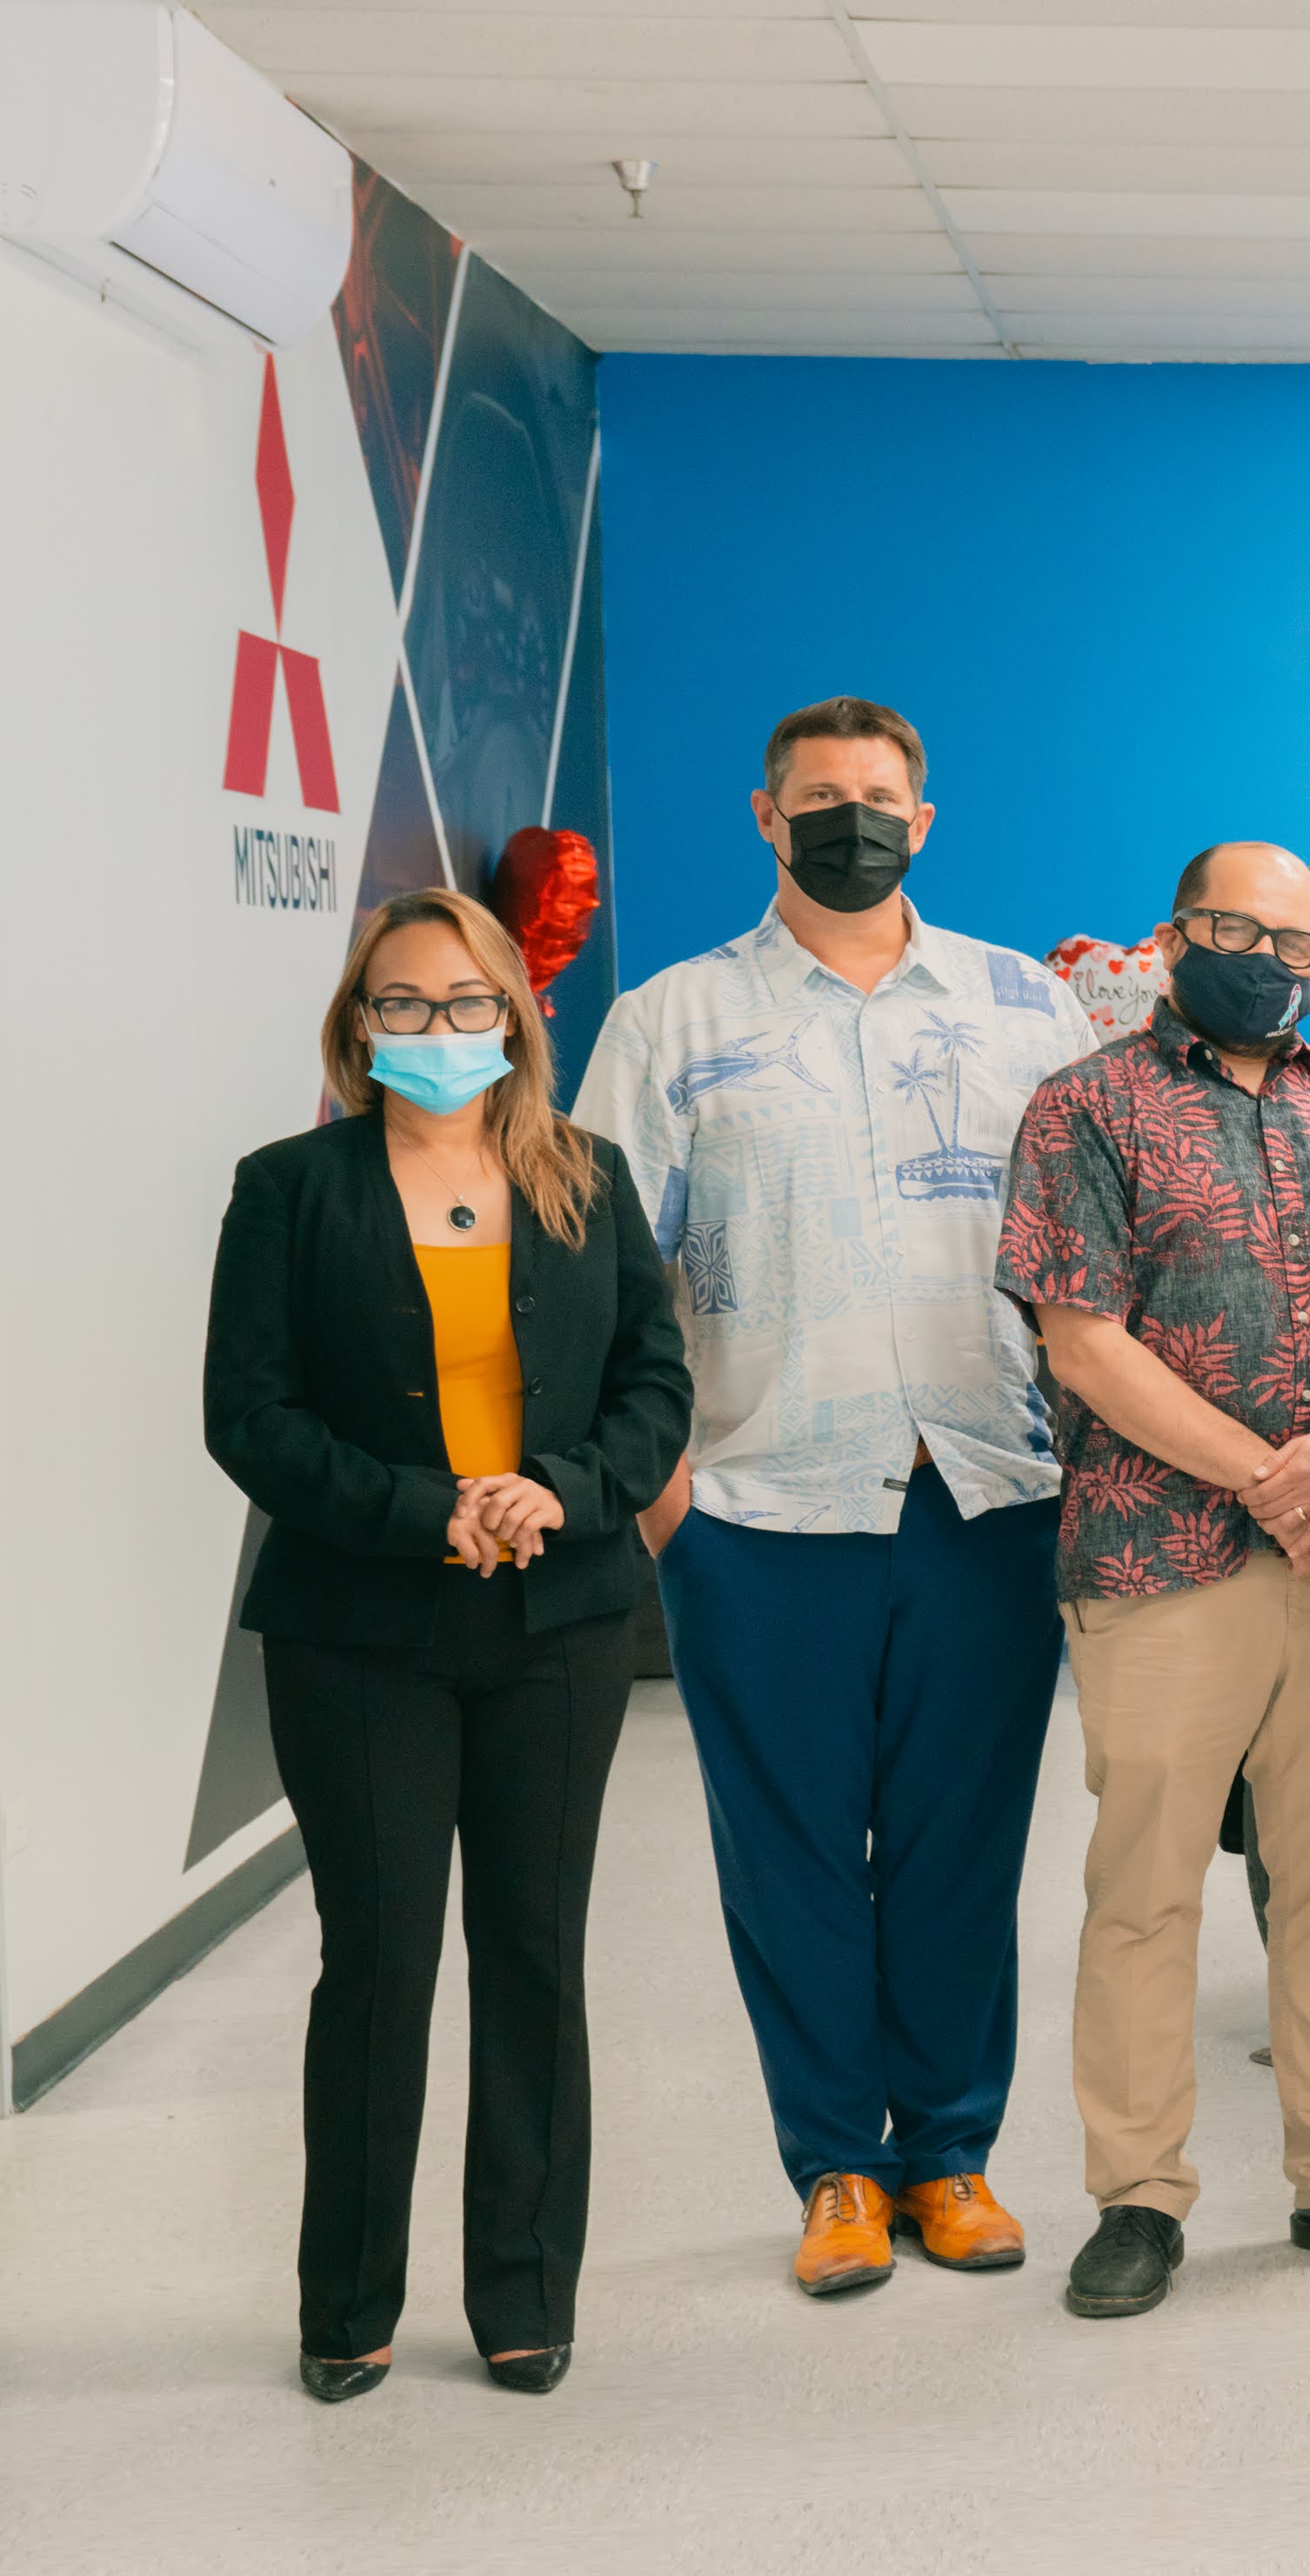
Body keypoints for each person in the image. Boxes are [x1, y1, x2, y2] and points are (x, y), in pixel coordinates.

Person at [571, 697, 1099, 2296]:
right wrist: (669, 1502)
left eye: (878, 797)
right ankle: (836, 2171)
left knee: (962, 1843)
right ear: (763, 815)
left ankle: (949, 2154)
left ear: (922, 819)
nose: (850, 819)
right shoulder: (670, 1020)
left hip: (986, 1490)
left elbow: (1095, 1253)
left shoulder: (1029, 1012)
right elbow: (602, 1271)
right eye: (819, 798)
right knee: (787, 1851)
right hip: (758, 1506)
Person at [203, 889, 691, 2402]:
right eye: (401, 1004)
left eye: (466, 1001)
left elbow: (653, 1385)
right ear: (358, 1026)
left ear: (515, 1018)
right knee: (380, 1962)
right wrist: (433, 1513)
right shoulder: (291, 1187)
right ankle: (344, 2299)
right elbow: (252, 1419)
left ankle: (526, 2291)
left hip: (561, 1615)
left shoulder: (586, 1180)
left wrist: (563, 1491)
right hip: (362, 1630)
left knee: (536, 1956)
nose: (435, 1029)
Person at [996, 843, 1310, 2320]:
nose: (1264, 952)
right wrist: (1274, 1474)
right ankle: (1138, 2196)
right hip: (1161, 1555)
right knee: (1143, 1890)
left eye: (1294, 935)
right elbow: (1083, 1341)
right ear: (1173, 930)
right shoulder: (1085, 1106)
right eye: (1233, 926)